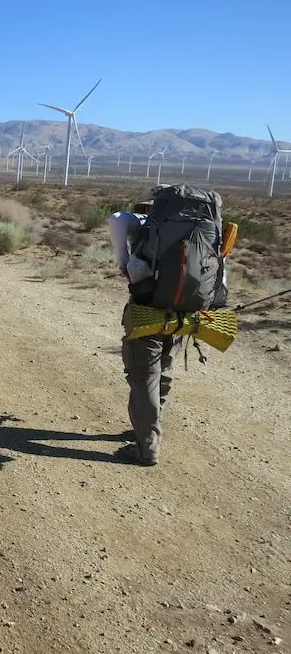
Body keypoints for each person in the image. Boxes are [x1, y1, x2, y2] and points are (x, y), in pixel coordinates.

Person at [109, 185, 227, 467]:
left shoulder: (147, 225)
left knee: (144, 374)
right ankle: (149, 426)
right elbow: (221, 276)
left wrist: (123, 260)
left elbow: (115, 218)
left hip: (148, 310)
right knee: (164, 368)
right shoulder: (208, 231)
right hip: (186, 313)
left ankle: (146, 446)